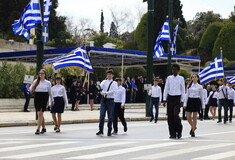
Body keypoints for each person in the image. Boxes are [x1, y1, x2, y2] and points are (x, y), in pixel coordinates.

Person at [163, 64, 185, 139]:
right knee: (170, 116)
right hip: (170, 98)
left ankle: (179, 131)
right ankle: (172, 133)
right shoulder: (169, 78)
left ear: (178, 70)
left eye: (175, 69)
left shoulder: (181, 78)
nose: (174, 71)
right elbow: (166, 88)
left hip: (177, 98)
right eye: (173, 69)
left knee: (175, 115)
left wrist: (182, 100)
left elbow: (183, 90)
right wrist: (164, 99)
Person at [29, 69, 53, 135]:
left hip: (44, 97)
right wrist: (28, 88)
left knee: (40, 113)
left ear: (45, 74)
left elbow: (50, 92)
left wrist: (51, 100)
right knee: (40, 113)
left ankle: (38, 128)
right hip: (37, 97)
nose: (41, 75)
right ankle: (44, 127)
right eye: (40, 73)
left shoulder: (48, 82)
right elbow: (31, 89)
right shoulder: (36, 81)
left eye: (42, 73)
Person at [96, 70, 118, 136]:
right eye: (108, 74)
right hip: (103, 100)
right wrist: (98, 86)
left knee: (110, 116)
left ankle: (109, 130)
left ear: (112, 75)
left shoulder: (114, 83)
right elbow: (100, 87)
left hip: (110, 100)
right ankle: (101, 130)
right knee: (102, 115)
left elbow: (114, 91)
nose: (109, 75)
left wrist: (105, 93)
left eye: (110, 74)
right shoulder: (104, 81)